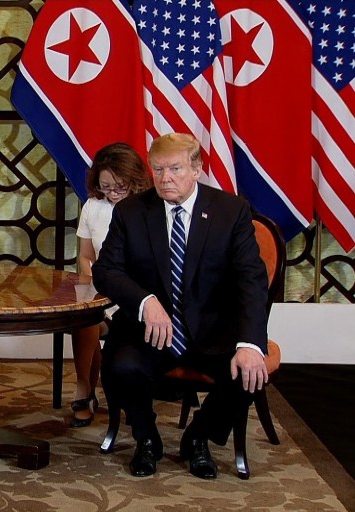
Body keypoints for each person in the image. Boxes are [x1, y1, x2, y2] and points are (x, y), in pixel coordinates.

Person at [92, 133, 269, 479]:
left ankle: (199, 438)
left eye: (174, 168)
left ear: (197, 169)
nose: (164, 178)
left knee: (249, 374)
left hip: (212, 330)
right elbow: (105, 270)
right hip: (150, 331)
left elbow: (252, 281)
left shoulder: (230, 211)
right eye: (157, 169)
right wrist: (145, 301)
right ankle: (146, 439)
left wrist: (250, 343)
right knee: (120, 365)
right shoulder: (131, 211)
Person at [70, 143, 152, 428]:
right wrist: (94, 285)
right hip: (102, 293)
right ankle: (84, 390)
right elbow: (85, 256)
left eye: (120, 187)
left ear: (135, 180)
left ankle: (116, 391)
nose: (113, 193)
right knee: (84, 320)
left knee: (101, 323)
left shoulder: (148, 208)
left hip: (136, 299)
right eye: (106, 187)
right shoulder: (93, 207)